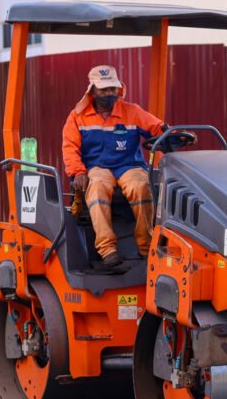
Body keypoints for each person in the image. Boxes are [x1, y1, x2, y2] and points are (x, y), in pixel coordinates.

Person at [62, 65, 164, 268]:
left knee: (141, 185)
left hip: (129, 165)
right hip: (98, 168)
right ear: (92, 91)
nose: (109, 93)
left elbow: (157, 127)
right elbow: (70, 147)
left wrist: (171, 133)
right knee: (97, 186)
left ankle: (146, 247)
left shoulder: (132, 112)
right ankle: (107, 250)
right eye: (104, 89)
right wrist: (78, 173)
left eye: (112, 89)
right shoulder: (77, 117)